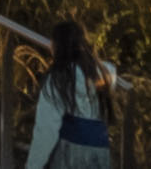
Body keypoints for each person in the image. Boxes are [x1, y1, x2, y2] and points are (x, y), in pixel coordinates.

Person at [17, 26, 112, 169]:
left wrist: (32, 165)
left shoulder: (58, 80)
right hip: (99, 150)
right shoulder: (101, 74)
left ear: (57, 47)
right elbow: (111, 70)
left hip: (69, 151)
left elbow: (46, 129)